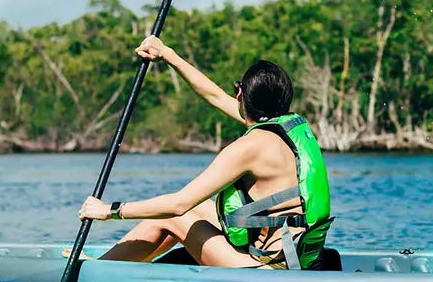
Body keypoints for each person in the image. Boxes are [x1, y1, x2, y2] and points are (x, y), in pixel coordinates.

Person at [78, 36, 332, 269]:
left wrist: (109, 210)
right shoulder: (285, 127)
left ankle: (97, 272)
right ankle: (114, 265)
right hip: (294, 254)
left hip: (268, 267)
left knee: (172, 216)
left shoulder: (248, 148)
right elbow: (216, 97)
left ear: (242, 94)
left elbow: (179, 205)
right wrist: (168, 54)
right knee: (187, 211)